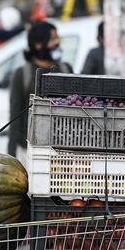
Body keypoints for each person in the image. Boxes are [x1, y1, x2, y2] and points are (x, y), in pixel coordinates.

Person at [8, 21, 73, 160]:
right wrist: (11, 156)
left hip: (62, 152)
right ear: (38, 44)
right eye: (53, 39)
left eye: (57, 38)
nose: (57, 43)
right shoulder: (22, 74)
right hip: (30, 151)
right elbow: (14, 117)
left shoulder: (66, 69)